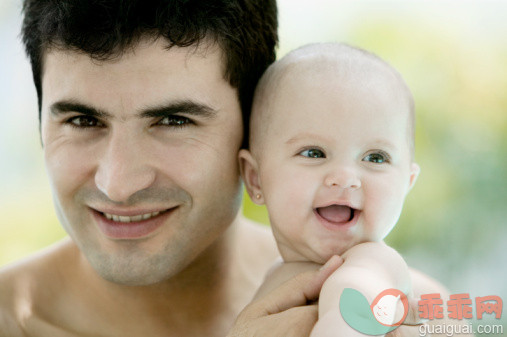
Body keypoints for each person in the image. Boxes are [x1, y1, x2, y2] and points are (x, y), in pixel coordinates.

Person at [0, 1, 344, 336]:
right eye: (83, 120)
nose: (118, 184)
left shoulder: (363, 309)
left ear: (254, 132)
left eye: (173, 121)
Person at [239, 43, 473, 336]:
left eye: (375, 157)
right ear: (255, 178)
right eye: (314, 153)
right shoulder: (274, 276)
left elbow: (353, 303)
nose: (345, 178)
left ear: (407, 183)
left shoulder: (372, 264)